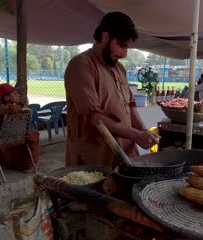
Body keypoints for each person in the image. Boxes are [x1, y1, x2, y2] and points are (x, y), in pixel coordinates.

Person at [64, 12, 159, 168]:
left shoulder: (119, 68)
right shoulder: (81, 65)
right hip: (96, 158)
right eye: (121, 45)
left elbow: (130, 105)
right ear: (105, 36)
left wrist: (143, 131)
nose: (124, 54)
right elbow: (94, 118)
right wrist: (136, 135)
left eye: (127, 48)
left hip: (126, 154)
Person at [0, 83, 39, 171]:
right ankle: (25, 163)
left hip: (8, 137)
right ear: (6, 98)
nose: (18, 95)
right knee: (32, 134)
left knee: (31, 134)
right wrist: (21, 105)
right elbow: (12, 109)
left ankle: (20, 162)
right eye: (15, 94)